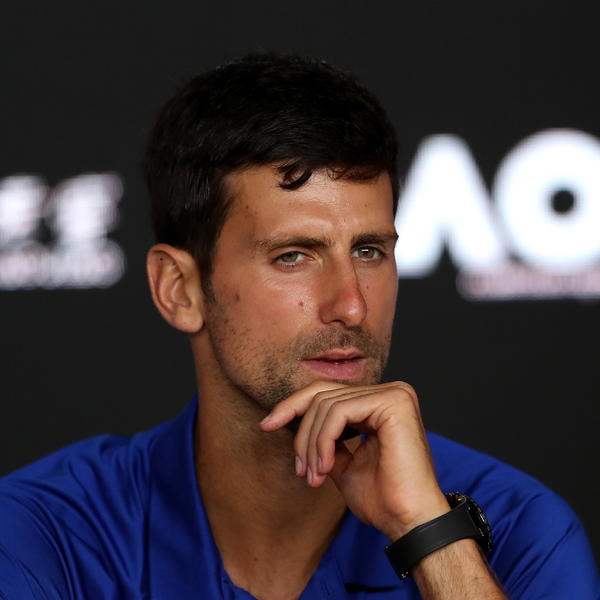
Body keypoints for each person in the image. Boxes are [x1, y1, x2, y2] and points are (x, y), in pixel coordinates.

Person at [0, 52, 598, 600]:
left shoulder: (519, 529)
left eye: (369, 251)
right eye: (293, 256)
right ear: (179, 289)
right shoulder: (45, 533)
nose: (352, 306)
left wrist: (429, 532)